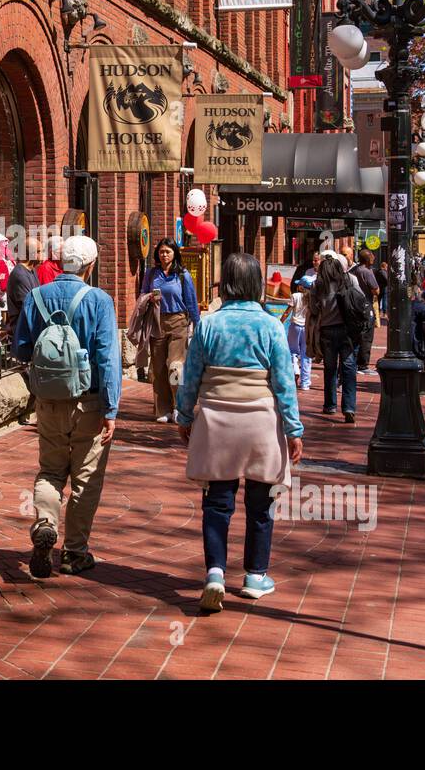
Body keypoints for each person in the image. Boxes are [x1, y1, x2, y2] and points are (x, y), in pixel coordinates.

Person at [176, 253, 304, 610]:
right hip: (261, 421)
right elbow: (283, 385)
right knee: (261, 504)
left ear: (226, 283)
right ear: (256, 283)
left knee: (217, 501)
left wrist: (184, 416)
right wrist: (294, 430)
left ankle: (215, 572)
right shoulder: (271, 327)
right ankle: (255, 575)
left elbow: (190, 378)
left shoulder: (207, 325)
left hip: (217, 420)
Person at [14, 235, 122, 578]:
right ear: (89, 266)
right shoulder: (99, 300)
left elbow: (20, 348)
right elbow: (107, 358)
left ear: (59, 263)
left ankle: (45, 523)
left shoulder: (36, 297)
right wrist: (111, 409)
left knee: (50, 470)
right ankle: (75, 552)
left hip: (48, 402)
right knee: (85, 478)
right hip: (88, 401)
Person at [139, 238, 201, 423]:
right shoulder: (151, 274)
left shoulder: (182, 275)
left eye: (167, 251)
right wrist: (149, 298)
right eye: (161, 252)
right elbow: (142, 293)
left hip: (178, 321)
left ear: (174, 253)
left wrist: (197, 325)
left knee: (175, 366)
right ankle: (162, 409)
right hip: (157, 321)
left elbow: (191, 301)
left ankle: (178, 406)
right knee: (158, 368)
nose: (164, 255)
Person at [307, 255, 368, 423]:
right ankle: (349, 407)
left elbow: (313, 309)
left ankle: (330, 405)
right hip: (348, 331)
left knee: (330, 368)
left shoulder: (317, 285)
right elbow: (361, 300)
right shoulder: (350, 280)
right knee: (349, 368)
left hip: (327, 331)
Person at [5, 238, 42, 426]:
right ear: (33, 254)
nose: (43, 255)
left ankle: (36, 408)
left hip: (33, 328)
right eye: (41, 251)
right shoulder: (19, 274)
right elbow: (30, 303)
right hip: (23, 330)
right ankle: (30, 410)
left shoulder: (32, 271)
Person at [349, 250, 381, 374]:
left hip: (353, 305)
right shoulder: (367, 272)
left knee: (356, 334)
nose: (373, 259)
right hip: (366, 305)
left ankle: (355, 360)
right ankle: (363, 364)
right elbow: (376, 290)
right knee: (367, 334)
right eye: (372, 257)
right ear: (368, 259)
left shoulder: (354, 270)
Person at [279, 274, 313, 390]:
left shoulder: (295, 296)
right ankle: (305, 383)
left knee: (292, 351)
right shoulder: (312, 298)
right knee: (306, 355)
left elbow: (287, 312)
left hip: (295, 326)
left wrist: (280, 322)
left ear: (301, 287)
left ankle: (295, 370)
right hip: (307, 328)